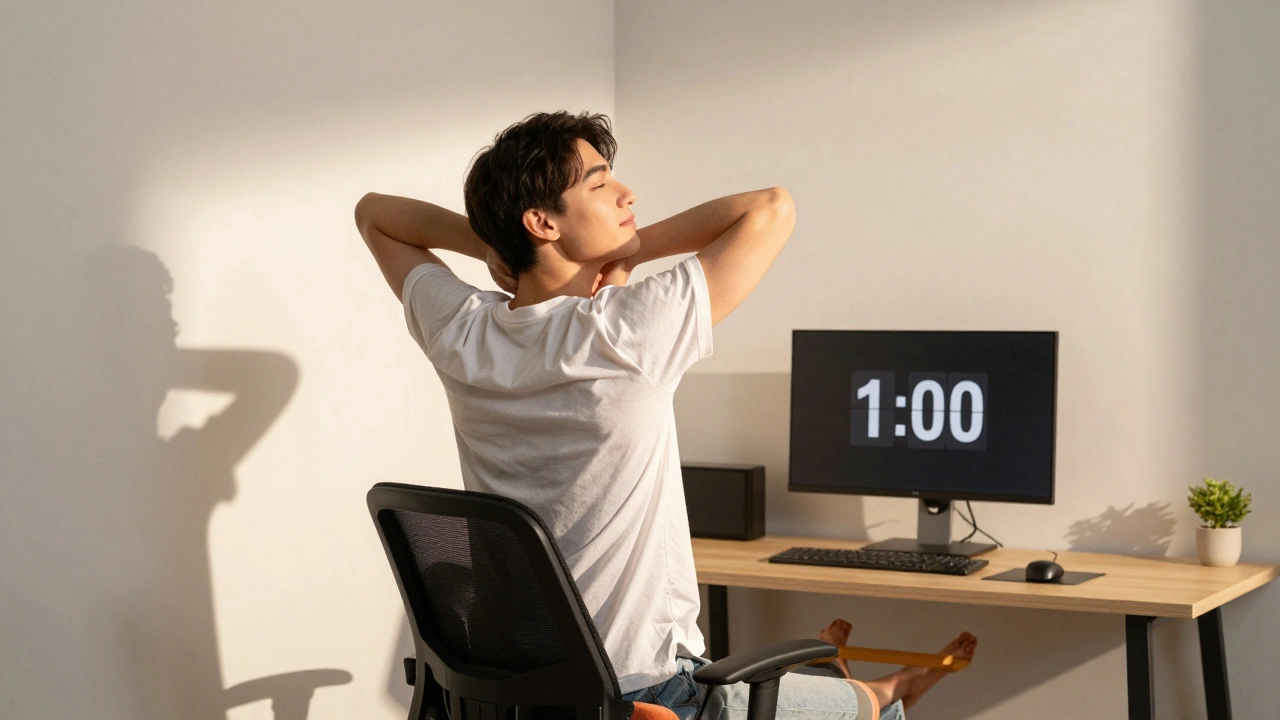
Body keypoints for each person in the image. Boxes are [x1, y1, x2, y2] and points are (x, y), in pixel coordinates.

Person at [355, 110, 975, 720]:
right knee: (871, 714)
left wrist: (492, 243)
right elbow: (771, 208)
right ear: (542, 221)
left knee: (812, 696)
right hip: (644, 692)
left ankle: (845, 680)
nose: (627, 193)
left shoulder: (461, 333)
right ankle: (886, 691)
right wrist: (627, 253)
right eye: (600, 184)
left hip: (518, 695)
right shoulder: (627, 332)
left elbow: (374, 214)